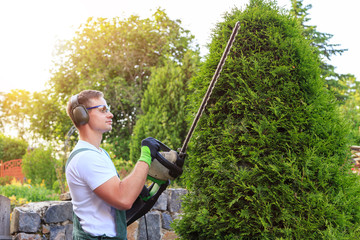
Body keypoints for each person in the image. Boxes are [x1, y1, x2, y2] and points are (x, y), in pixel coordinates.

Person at [65, 89, 159, 239]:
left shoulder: (100, 153)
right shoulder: (86, 157)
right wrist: (146, 157)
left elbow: (113, 194)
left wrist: (135, 190)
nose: (110, 114)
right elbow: (123, 199)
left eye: (108, 109)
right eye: (102, 110)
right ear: (82, 115)